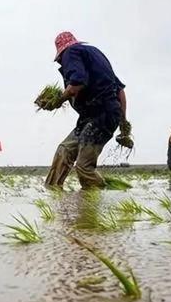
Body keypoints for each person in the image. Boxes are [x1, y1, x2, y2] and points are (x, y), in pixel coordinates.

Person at [40, 32, 127, 189]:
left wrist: (57, 101)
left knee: (83, 167)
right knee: (64, 150)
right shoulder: (94, 55)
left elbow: (77, 83)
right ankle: (53, 194)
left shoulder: (71, 52)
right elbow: (120, 91)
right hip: (93, 117)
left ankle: (99, 197)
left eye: (60, 60)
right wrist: (123, 122)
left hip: (102, 116)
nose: (62, 62)